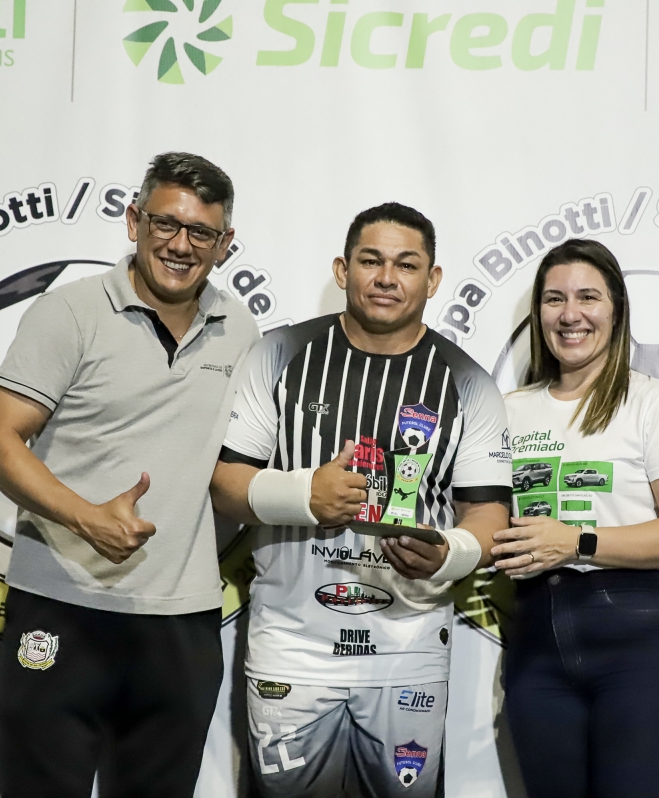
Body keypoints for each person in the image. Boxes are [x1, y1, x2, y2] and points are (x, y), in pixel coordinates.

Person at [0, 152, 259, 797]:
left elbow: (238, 466)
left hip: (182, 621)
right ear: (134, 222)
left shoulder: (241, 330)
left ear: (225, 244)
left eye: (201, 232)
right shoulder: (69, 313)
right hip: (63, 607)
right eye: (166, 223)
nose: (180, 245)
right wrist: (87, 519)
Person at [210, 203, 512, 798]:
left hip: (409, 645)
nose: (386, 278)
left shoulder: (469, 382)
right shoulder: (279, 353)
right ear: (342, 270)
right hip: (291, 645)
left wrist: (447, 554)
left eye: (407, 264)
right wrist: (305, 495)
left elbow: (487, 514)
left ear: (433, 279)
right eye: (371, 261)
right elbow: (225, 484)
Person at [492, 239, 659, 798]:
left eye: (588, 297)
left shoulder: (655, 402)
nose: (570, 314)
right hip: (536, 647)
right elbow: (481, 521)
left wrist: (576, 542)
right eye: (554, 299)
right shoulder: (507, 411)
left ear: (616, 309)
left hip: (640, 647)